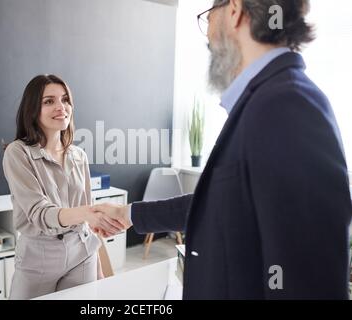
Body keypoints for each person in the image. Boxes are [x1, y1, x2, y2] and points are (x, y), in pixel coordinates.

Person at [93, 0, 352, 299]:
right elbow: (218, 202)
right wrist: (128, 214)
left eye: (207, 17)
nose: (207, 35)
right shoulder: (266, 102)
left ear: (234, 10)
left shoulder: (287, 106)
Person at [3, 74, 122, 299]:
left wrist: (96, 262)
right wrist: (88, 213)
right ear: (32, 109)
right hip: (38, 257)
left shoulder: (79, 156)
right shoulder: (18, 153)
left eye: (65, 99)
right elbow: (40, 213)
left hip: (81, 250)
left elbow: (87, 217)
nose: (61, 107)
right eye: (49, 101)